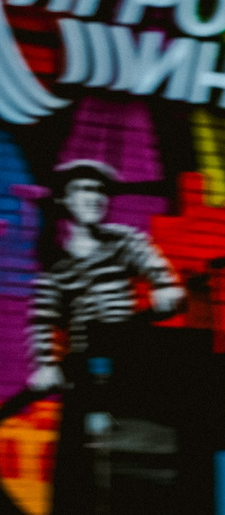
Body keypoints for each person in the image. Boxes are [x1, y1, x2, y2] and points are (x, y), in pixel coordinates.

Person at [26, 161, 182, 395]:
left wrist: (164, 284)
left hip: (128, 352)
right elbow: (42, 319)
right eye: (84, 189)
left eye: (101, 190)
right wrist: (46, 365)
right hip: (84, 364)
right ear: (64, 199)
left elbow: (148, 258)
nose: (95, 198)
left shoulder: (121, 240)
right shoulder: (56, 264)